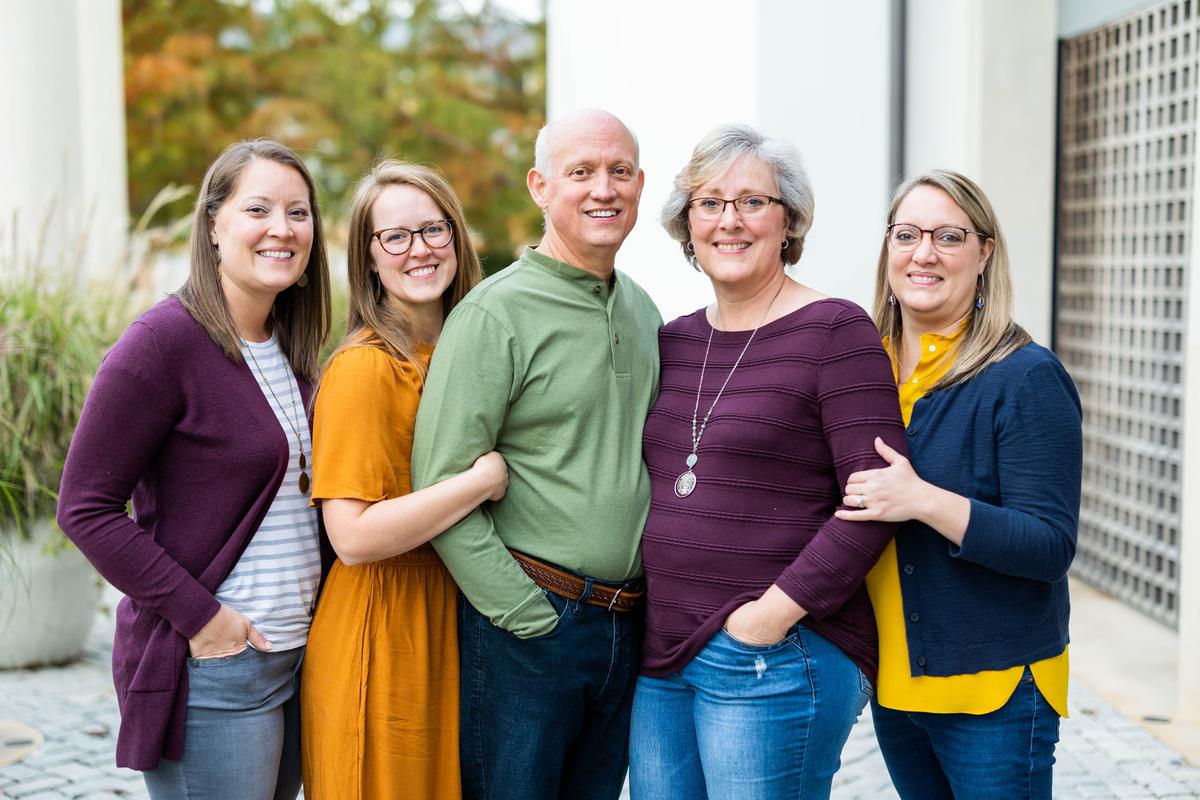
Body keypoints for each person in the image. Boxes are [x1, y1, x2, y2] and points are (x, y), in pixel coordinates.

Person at [627, 124, 907, 800]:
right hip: (662, 655)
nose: (730, 221)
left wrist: (770, 617)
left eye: (753, 201)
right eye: (710, 203)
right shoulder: (672, 340)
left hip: (776, 654)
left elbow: (876, 502)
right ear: (686, 225)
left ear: (789, 221)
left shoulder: (836, 332)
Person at [56, 139, 331, 798]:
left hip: (299, 661)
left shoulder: (294, 347)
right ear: (214, 225)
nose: (282, 229)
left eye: (299, 212)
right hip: (214, 667)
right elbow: (85, 508)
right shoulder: (162, 344)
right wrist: (206, 621)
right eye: (258, 208)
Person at [410, 108, 662, 800]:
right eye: (580, 172)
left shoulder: (642, 311)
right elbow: (439, 483)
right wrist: (525, 617)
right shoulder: (495, 315)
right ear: (540, 186)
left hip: (627, 623)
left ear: (640, 184)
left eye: (618, 171)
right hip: (530, 627)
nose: (602, 189)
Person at [834, 169, 1082, 799]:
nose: (924, 254)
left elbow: (1049, 546)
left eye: (948, 236)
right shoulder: (864, 369)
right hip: (896, 681)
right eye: (907, 234)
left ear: (984, 252)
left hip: (994, 690)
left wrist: (923, 500)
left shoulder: (1023, 376)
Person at [299, 161, 505, 799]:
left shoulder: (471, 351)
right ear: (369, 260)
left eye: (433, 230)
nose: (419, 250)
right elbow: (353, 537)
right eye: (395, 237)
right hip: (384, 623)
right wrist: (480, 482)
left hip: (456, 617)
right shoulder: (364, 368)